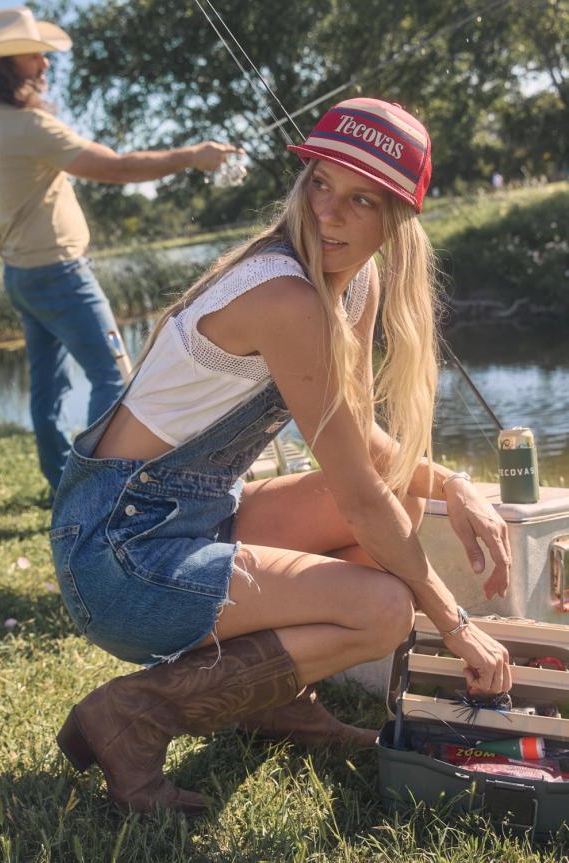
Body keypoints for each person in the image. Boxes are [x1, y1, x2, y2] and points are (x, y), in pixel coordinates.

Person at [50, 98, 513, 815]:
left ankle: (272, 699)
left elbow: (364, 448)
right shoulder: (284, 296)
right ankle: (137, 711)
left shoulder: (356, 280)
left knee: (403, 501)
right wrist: (455, 623)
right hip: (118, 555)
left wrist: (456, 485)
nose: (329, 213)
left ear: (397, 220)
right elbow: (358, 491)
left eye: (361, 200)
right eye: (321, 184)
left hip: (186, 520)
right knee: (386, 607)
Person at [0, 7, 238, 491]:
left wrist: (13, 257)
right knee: (114, 377)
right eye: (35, 57)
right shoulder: (28, 127)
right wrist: (192, 156)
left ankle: (61, 482)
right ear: (7, 66)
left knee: (48, 388)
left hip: (21, 276)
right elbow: (117, 168)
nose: (46, 65)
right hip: (61, 274)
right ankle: (93, 490)